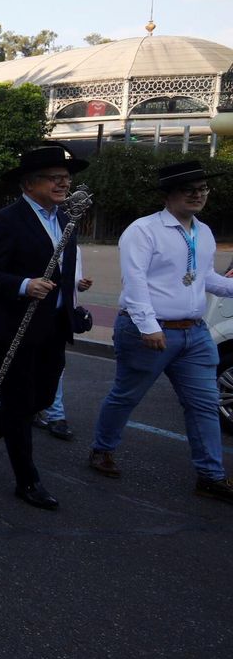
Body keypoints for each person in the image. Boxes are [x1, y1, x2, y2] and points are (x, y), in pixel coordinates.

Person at [89, 161, 233, 504]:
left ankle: (211, 475)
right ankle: (102, 449)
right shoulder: (143, 230)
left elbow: (204, 278)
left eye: (203, 189)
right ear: (169, 195)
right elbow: (135, 282)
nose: (198, 195)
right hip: (148, 331)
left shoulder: (204, 231)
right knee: (127, 395)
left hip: (194, 333)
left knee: (204, 403)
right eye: (189, 190)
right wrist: (149, 327)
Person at [0, 143, 90, 512]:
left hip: (53, 324)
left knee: (44, 398)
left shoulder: (66, 219)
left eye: (66, 178)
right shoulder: (7, 219)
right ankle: (27, 480)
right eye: (55, 178)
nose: (63, 184)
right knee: (19, 404)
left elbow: (62, 269)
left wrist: (74, 293)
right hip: (12, 323)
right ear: (30, 183)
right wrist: (24, 284)